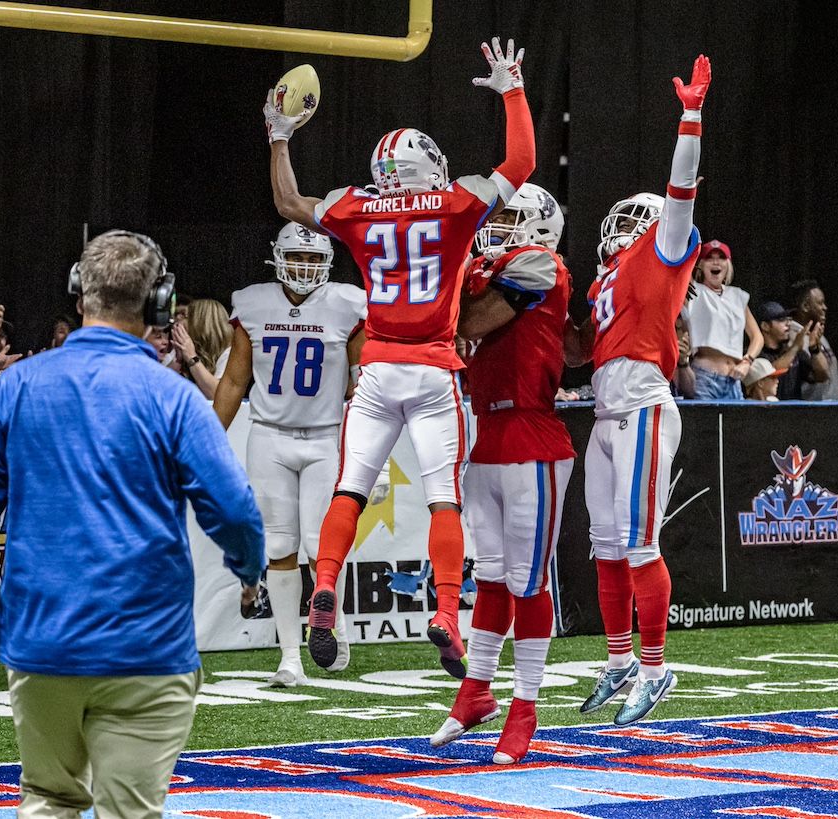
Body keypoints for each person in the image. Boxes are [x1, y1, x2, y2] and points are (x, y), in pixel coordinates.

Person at [264, 36, 535, 677]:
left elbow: (289, 205)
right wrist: (512, 91)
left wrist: (279, 137)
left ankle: (323, 587)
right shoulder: (456, 202)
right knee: (443, 498)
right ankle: (445, 611)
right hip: (436, 369)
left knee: (350, 490)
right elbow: (521, 161)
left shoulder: (356, 205)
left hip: (379, 368)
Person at [0, 230, 264, 818]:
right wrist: (249, 572)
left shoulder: (14, 387)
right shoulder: (172, 398)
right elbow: (234, 509)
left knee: (47, 799)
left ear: (78, 293)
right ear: (161, 301)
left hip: (41, 642)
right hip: (145, 648)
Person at [565, 55, 709, 725]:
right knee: (606, 543)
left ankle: (656, 667)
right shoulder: (605, 278)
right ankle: (620, 657)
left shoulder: (662, 251)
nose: (618, 231)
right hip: (605, 412)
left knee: (642, 543)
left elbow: (680, 193)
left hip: (647, 405)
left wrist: (690, 116)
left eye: (631, 221)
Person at [429, 183, 574, 764]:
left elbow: (472, 320)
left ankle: (526, 705)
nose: (500, 225)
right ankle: (477, 690)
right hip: (487, 434)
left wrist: (450, 299)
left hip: (533, 436)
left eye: (513, 216)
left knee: (526, 581)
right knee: (489, 575)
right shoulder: (485, 266)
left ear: (542, 226)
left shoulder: (545, 266)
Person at [214, 222, 369, 686]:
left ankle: (332, 624)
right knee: (279, 546)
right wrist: (208, 439)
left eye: (312, 259)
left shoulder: (346, 305)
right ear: (278, 259)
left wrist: (367, 447)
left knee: (324, 547)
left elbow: (365, 382)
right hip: (270, 435)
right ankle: (289, 657)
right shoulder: (255, 304)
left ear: (325, 264)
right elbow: (235, 381)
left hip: (326, 436)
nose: (303, 268)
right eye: (296, 258)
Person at [683, 239, 763, 400]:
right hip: (705, 377)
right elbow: (678, 270)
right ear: (700, 265)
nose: (715, 262)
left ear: (728, 264)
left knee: (737, 425)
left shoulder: (737, 296)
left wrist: (747, 361)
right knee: (706, 424)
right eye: (709, 258)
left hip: (733, 380)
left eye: (721, 257)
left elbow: (758, 337)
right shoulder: (694, 292)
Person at [756, 301, 827, 400]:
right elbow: (769, 374)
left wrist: (814, 348)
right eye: (781, 320)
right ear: (765, 326)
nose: (788, 324)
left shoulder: (794, 353)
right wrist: (795, 348)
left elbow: (822, 376)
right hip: (766, 412)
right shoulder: (755, 353)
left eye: (788, 319)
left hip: (793, 412)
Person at [787, 279, 838, 401]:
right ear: (805, 306)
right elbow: (819, 375)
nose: (825, 308)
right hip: (809, 411)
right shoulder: (792, 337)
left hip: (831, 408)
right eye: (820, 303)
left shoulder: (817, 334)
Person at [173, 298, 232, 400]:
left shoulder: (229, 353)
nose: (178, 320)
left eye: (185, 317)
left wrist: (192, 358)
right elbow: (156, 388)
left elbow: (219, 397)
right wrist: (178, 361)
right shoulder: (188, 349)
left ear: (201, 323)